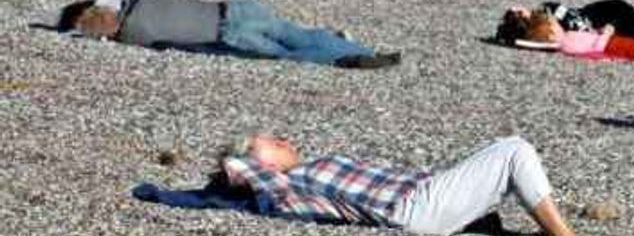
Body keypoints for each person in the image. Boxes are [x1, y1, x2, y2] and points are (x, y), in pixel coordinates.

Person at [208, 134, 577, 235]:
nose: (284, 140)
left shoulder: (306, 170)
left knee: (504, 156)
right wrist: (238, 159)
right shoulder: (287, 182)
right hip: (412, 208)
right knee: (514, 150)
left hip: (423, 198)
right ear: (264, 163)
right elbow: (238, 169)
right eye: (272, 142)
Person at [52, 0, 400, 68]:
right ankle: (366, 52)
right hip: (237, 8)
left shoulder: (133, 35)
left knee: (289, 55)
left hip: (230, 35)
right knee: (300, 35)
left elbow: (112, 31)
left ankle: (344, 61)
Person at [495, 0, 634, 64]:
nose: (518, 10)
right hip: (607, 25)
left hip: (599, 15)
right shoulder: (552, 35)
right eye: (519, 13)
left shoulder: (547, 9)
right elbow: (534, 41)